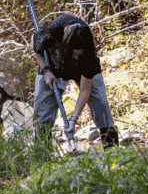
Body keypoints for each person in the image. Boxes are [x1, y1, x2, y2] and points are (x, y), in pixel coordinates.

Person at [32, 9, 120, 146]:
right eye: (74, 54)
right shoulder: (52, 31)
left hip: (82, 70)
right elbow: (36, 48)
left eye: (80, 54)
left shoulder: (88, 53)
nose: (76, 57)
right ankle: (42, 160)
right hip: (52, 67)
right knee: (42, 114)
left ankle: (113, 154)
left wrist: (73, 120)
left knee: (101, 106)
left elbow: (85, 91)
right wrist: (45, 70)